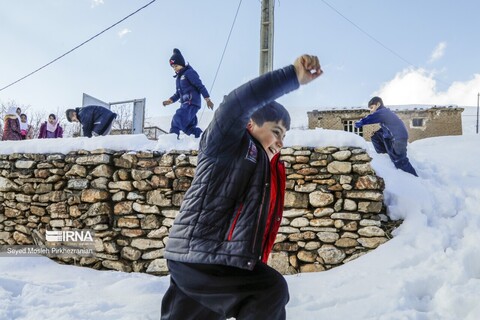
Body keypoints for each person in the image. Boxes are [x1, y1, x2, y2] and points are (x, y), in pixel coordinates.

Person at [161, 54, 323, 320]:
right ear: (250, 123)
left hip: (201, 259)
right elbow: (237, 103)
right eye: (277, 131)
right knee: (269, 291)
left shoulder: (261, 165)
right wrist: (292, 75)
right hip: (202, 255)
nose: (281, 142)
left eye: (285, 136)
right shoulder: (226, 142)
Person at [355, 96, 418, 176]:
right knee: (375, 136)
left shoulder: (383, 112)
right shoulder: (385, 115)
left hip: (398, 139)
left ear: (378, 104)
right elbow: (387, 128)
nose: (371, 110)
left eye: (372, 107)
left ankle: (415, 179)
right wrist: (377, 133)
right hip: (393, 137)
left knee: (400, 161)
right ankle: (384, 156)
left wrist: (360, 122)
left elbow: (372, 117)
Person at [162, 48, 214, 139]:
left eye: (176, 66)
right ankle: (205, 138)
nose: (175, 68)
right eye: (173, 67)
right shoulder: (178, 78)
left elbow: (200, 86)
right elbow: (178, 94)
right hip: (185, 105)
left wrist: (207, 99)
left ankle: (171, 140)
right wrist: (169, 100)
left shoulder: (189, 73)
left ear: (181, 64)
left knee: (177, 119)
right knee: (188, 128)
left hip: (191, 103)